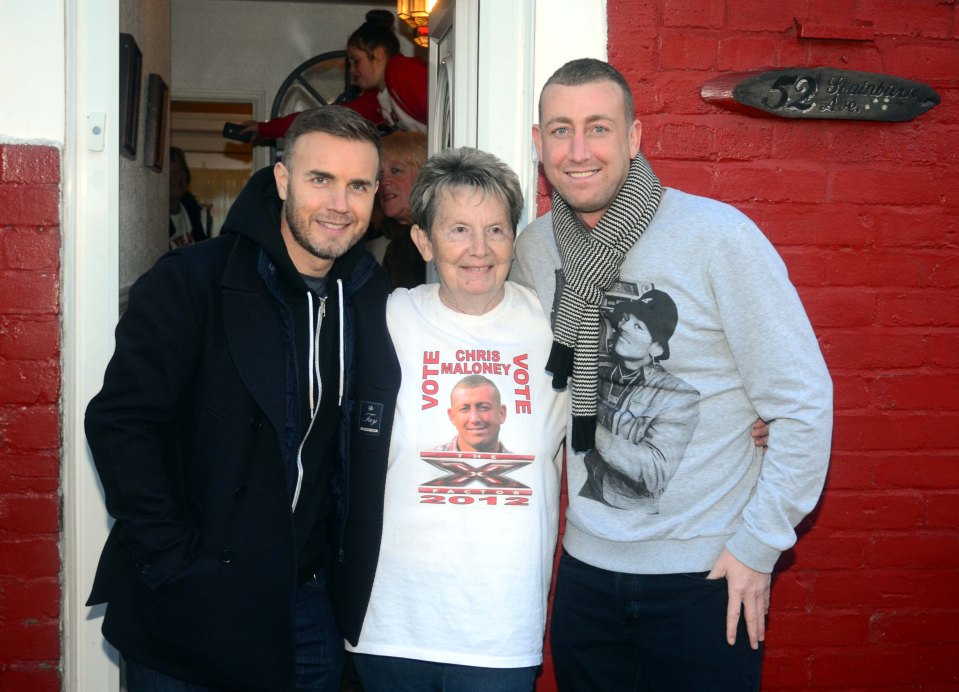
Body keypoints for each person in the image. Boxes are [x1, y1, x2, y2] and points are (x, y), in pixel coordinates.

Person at [511, 58, 833, 691]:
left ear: (634, 138)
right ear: (538, 142)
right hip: (585, 574)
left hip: (705, 577)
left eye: (598, 128)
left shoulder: (717, 237)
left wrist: (757, 547)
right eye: (560, 130)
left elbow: (801, 401)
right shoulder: (534, 248)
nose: (578, 150)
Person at [84, 106, 400, 691]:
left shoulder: (369, 294)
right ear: (282, 181)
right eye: (320, 179)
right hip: (189, 600)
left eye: (358, 185)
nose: (339, 203)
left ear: (376, 193)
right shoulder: (191, 280)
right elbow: (121, 423)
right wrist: (173, 562)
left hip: (307, 607)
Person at [346, 147, 568, 691]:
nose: (479, 250)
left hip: (501, 629)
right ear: (423, 241)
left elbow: (636, 392)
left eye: (495, 230)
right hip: (391, 626)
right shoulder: (385, 318)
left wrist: (747, 421)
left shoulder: (555, 326)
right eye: (459, 229)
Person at [583, 288, 701, 512]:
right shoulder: (597, 372)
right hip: (587, 502)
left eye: (638, 326)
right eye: (626, 320)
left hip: (630, 509)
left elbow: (655, 472)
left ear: (656, 347)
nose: (623, 326)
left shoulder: (678, 395)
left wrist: (588, 427)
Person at [248, 10, 427, 141]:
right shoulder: (379, 99)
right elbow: (324, 119)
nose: (352, 70)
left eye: (356, 61)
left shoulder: (402, 71)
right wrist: (263, 129)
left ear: (378, 54)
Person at [366, 130, 427, 289]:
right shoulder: (375, 252)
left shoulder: (447, 237)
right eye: (379, 175)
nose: (384, 182)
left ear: (425, 174)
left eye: (396, 170)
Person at [435, 375, 510, 453]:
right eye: (464, 409)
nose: (474, 419)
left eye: (484, 408)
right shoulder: (427, 463)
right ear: (452, 417)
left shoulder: (521, 465)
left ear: (501, 413)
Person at [168, 146, 208, 248]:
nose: (177, 176)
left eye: (180, 168)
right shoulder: (156, 218)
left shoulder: (191, 207)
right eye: (170, 171)